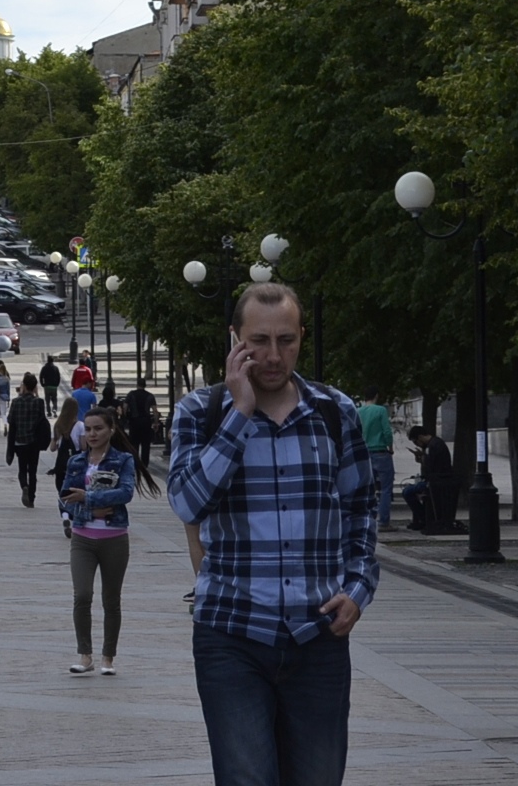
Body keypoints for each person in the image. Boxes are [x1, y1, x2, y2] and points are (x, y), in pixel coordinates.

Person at [170, 280, 376, 786]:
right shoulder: (201, 412)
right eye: (258, 341)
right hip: (232, 634)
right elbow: (189, 502)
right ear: (235, 339)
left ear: (302, 337)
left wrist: (358, 587)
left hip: (318, 636)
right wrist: (239, 414)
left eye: (286, 340)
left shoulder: (334, 412)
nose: (272, 355)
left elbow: (362, 511)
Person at [62, 406, 144, 676]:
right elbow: (65, 498)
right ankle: (85, 655)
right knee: (82, 595)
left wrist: (88, 498)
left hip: (114, 538)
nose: (92, 434)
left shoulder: (123, 460)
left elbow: (126, 493)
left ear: (111, 430)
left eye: (98, 428)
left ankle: (108, 657)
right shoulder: (76, 461)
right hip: (83, 538)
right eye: (88, 429)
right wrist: (89, 508)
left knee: (111, 599)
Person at [7, 376, 52, 507]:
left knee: (22, 469)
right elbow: (42, 420)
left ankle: (24, 486)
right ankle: (31, 498)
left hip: (20, 441)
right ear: (34, 387)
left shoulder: (16, 402)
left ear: (24, 386)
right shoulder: (39, 402)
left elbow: (11, 420)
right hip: (34, 442)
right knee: (32, 471)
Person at [403, 425, 457, 533]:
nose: (416, 444)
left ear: (420, 437)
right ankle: (422, 518)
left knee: (407, 492)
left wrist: (422, 458)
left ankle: (423, 518)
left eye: (415, 441)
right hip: (437, 479)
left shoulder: (432, 446)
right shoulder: (435, 443)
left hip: (437, 481)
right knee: (410, 490)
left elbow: (431, 466)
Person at [355, 396, 395, 528]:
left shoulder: (358, 411)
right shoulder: (381, 410)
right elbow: (387, 431)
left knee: (367, 488)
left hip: (365, 453)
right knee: (386, 489)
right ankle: (383, 520)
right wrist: (390, 447)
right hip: (380, 451)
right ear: (377, 396)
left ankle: (367, 519)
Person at [124, 382, 159, 476]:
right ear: (145, 385)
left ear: (137, 385)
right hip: (146, 422)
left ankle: (135, 463)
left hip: (134, 421)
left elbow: (125, 407)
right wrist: (156, 422)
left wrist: (126, 416)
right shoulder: (150, 396)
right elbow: (155, 411)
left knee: (134, 444)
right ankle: (144, 464)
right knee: (145, 444)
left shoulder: (131, 394)